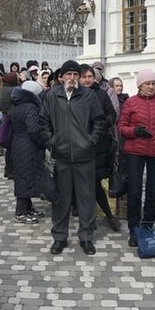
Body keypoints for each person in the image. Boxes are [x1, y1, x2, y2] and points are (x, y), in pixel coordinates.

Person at [40, 60, 106, 256]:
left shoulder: (88, 96)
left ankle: (86, 237)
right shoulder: (53, 95)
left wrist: (91, 141)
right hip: (61, 157)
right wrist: (52, 142)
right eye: (68, 74)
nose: (72, 78)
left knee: (86, 199)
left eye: (75, 74)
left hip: (84, 156)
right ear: (62, 77)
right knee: (61, 200)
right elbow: (43, 121)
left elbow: (99, 121)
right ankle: (59, 237)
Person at [117, 69, 155, 248]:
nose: (152, 87)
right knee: (135, 193)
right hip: (135, 152)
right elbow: (121, 127)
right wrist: (135, 131)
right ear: (140, 85)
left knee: (152, 194)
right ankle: (134, 230)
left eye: (154, 83)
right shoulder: (130, 103)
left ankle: (147, 227)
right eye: (148, 84)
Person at [79, 64, 121, 232]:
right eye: (84, 77)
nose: (88, 79)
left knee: (95, 182)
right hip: (79, 145)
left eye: (90, 76)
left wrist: (100, 123)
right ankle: (88, 218)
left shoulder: (101, 94)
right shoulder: (73, 95)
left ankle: (108, 215)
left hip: (98, 145)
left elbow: (112, 115)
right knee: (82, 184)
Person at [10, 80, 47, 224]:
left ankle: (28, 207)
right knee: (26, 177)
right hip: (28, 146)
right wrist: (43, 142)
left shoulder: (16, 105)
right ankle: (21, 211)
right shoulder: (30, 107)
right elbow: (34, 130)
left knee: (24, 176)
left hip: (18, 144)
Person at [0, 72, 19, 179]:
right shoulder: (13, 90)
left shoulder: (3, 89)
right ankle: (11, 170)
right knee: (12, 147)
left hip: (5, 118)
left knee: (9, 147)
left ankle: (8, 169)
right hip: (11, 119)